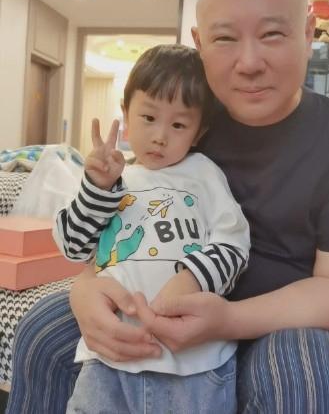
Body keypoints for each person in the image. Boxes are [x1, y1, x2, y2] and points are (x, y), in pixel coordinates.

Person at [6, 0, 329, 414]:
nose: (249, 62)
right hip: (153, 298)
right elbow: (129, 215)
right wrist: (85, 288)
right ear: (200, 42)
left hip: (278, 317)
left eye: (272, 34)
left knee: (306, 379)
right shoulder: (182, 118)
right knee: (41, 333)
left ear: (308, 33)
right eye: (225, 39)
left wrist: (228, 319)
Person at [53, 44, 250, 413]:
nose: (160, 135)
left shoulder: (203, 173)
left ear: (199, 131)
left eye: (178, 125)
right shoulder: (112, 179)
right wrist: (96, 188)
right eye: (148, 117)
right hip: (109, 360)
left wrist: (192, 278)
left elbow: (234, 242)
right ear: (126, 113)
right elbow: (73, 247)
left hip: (194, 364)